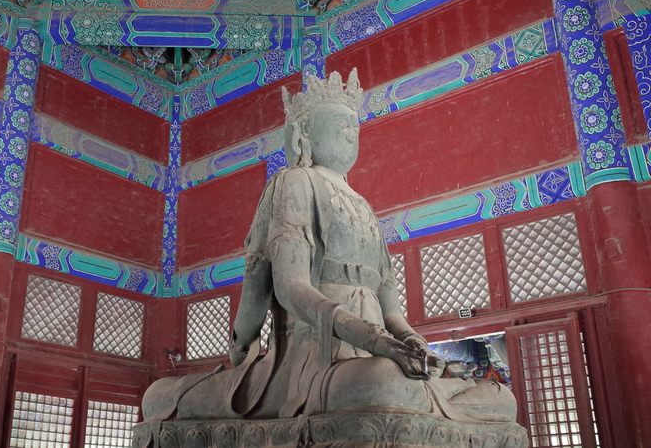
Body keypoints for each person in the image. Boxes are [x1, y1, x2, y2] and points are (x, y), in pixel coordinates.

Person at [142, 69, 517, 425]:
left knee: (501, 398)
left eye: (354, 126)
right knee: (380, 383)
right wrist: (244, 344)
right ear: (304, 133)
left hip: (378, 353)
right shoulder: (293, 182)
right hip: (309, 356)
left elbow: (391, 313)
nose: (351, 133)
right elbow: (290, 288)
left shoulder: (366, 207)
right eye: (339, 125)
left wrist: (417, 347)